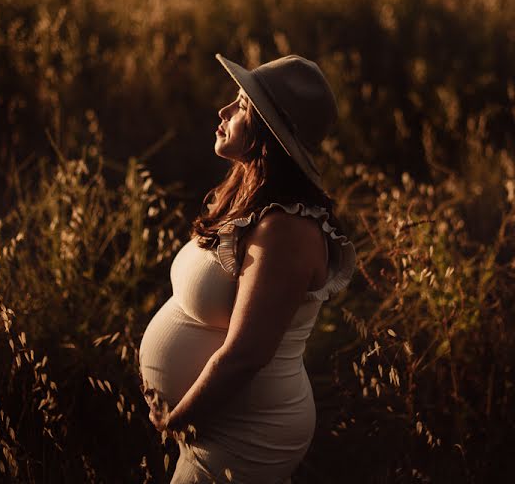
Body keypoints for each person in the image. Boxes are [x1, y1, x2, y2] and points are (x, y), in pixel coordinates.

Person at [139, 53, 357, 483]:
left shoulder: (287, 232)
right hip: (219, 421)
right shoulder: (251, 201)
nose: (224, 111)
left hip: (248, 432)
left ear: (270, 132)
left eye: (241, 105)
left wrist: (177, 422)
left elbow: (245, 355)